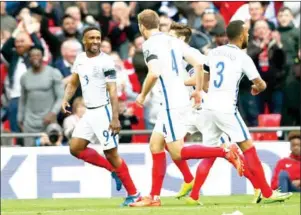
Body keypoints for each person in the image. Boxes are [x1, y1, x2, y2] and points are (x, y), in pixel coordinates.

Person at [130, 9, 242, 207]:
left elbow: (154, 73)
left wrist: (142, 94)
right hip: (178, 100)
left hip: (171, 105)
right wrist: (197, 90)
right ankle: (154, 197)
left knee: (178, 152)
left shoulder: (150, 44)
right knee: (155, 145)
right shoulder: (173, 41)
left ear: (141, 26)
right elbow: (200, 63)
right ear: (158, 23)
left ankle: (223, 151)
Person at [197, 20, 292, 203]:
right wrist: (257, 88)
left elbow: (205, 78)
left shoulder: (213, 52)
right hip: (226, 109)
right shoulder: (242, 57)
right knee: (249, 149)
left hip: (209, 108)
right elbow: (260, 83)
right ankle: (267, 192)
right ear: (240, 36)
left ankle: (193, 195)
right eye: (247, 34)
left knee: (211, 153)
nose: (248, 36)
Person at [169, 22, 262, 205]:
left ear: (180, 39)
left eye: (171, 37)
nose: (167, 41)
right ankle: (192, 184)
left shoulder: (192, 55)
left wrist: (176, 82)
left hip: (202, 108)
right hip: (186, 110)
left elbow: (202, 81)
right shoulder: (172, 57)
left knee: (205, 153)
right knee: (169, 145)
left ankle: (257, 185)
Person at [61, 26, 140, 206]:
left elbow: (112, 91)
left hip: (103, 111)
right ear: (84, 40)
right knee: (75, 148)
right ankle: (113, 170)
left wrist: (115, 117)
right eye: (92, 38)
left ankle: (134, 194)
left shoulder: (106, 61)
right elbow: (74, 82)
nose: (96, 41)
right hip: (89, 111)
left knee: (111, 153)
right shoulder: (80, 59)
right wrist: (66, 99)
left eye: (98, 38)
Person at [18, 46, 64, 146]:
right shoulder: (24, 77)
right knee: (29, 153)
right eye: (32, 56)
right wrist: (20, 119)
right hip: (29, 122)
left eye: (38, 55)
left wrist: (53, 113)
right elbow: (22, 99)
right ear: (29, 58)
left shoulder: (53, 73)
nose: (35, 58)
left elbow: (61, 97)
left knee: (49, 153)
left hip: (48, 121)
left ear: (43, 57)